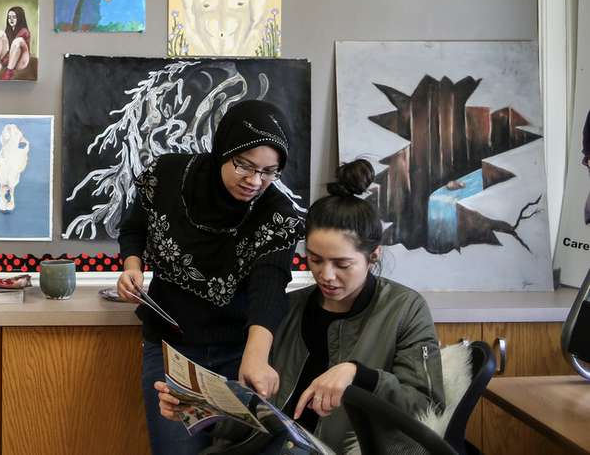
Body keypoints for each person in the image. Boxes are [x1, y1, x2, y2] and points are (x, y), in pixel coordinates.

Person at [155, 159, 445, 454]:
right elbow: (257, 414)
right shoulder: (288, 308)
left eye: (342, 264)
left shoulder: (405, 309)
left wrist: (358, 375)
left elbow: (426, 406)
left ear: (373, 256)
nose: (326, 275)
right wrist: (198, 410)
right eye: (315, 259)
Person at [118, 100, 305, 455]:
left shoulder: (276, 214)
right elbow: (134, 226)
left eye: (269, 171)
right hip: (170, 350)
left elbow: (270, 284)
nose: (254, 181)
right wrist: (132, 266)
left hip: (237, 351)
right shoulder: (168, 176)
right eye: (244, 166)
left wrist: (256, 357)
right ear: (223, 150)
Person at [0, 5, 32, 80]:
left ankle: (8, 73)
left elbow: (15, 47)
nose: (11, 19)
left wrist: (1, 64)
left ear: (19, 18)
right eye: (9, 17)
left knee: (18, 41)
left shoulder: (24, 31)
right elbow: (8, 50)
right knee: (0, 35)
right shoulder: (9, 30)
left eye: (14, 17)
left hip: (21, 61)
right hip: (10, 58)